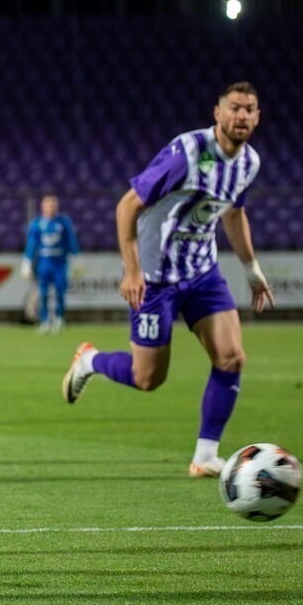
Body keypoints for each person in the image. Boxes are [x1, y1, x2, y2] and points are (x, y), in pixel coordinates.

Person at [62, 82, 274, 478]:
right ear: (218, 112)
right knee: (148, 378)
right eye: (234, 108)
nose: (241, 116)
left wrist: (251, 268)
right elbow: (127, 206)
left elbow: (232, 212)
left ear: (258, 117)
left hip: (202, 273)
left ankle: (206, 455)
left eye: (249, 109)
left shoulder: (250, 163)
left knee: (231, 357)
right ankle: (90, 360)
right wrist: (132, 269)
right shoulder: (188, 153)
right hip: (157, 279)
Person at [21, 194, 79, 333]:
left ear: (57, 206)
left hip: (60, 262)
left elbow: (71, 240)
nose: (50, 207)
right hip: (44, 262)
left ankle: (59, 318)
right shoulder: (36, 224)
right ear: (42, 206)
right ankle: (45, 321)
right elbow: (32, 244)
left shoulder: (64, 222)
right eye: (48, 204)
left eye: (53, 204)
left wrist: (76, 258)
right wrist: (27, 261)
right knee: (43, 292)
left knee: (60, 291)